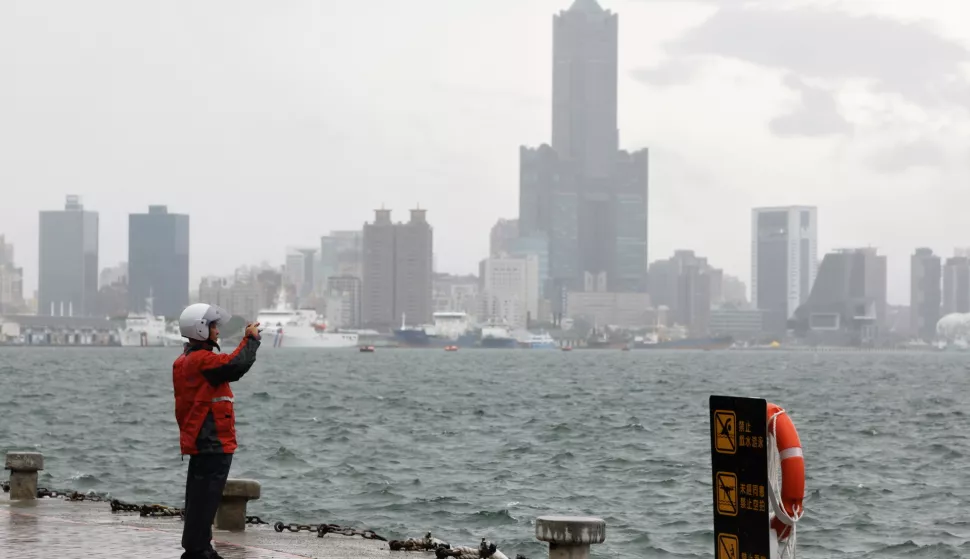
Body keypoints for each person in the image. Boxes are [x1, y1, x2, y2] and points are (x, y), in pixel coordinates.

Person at [173, 303, 261, 559]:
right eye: (213, 326)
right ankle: (198, 551)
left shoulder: (187, 359)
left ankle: (199, 548)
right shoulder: (201, 360)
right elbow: (235, 365)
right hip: (212, 439)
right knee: (205, 498)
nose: (217, 331)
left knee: (201, 498)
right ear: (200, 329)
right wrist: (251, 339)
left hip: (204, 438)